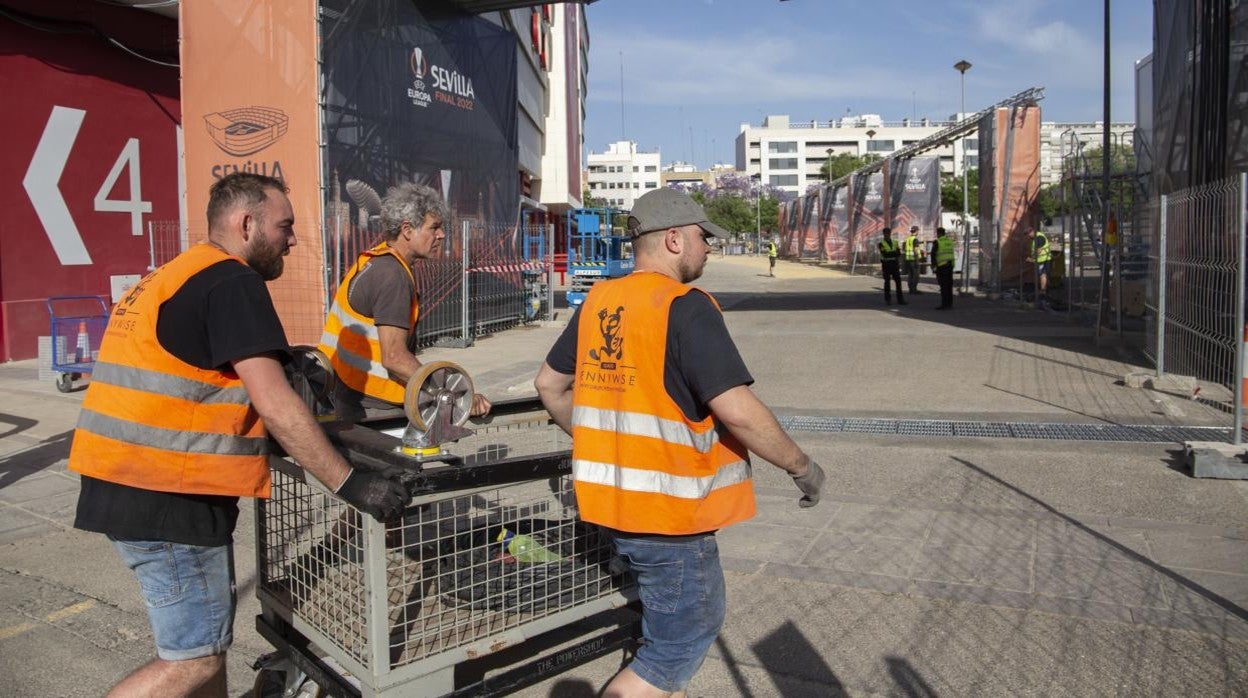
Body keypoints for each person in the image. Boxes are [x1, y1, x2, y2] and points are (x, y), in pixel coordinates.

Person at [69, 172, 409, 696]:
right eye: (285, 225)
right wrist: (348, 483)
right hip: (168, 497)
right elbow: (275, 402)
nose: (292, 239)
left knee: (206, 650)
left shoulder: (178, 273)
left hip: (130, 481)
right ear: (246, 223)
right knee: (192, 661)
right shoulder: (232, 280)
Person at [534, 188, 826, 698]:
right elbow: (738, 411)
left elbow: (549, 385)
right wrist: (801, 466)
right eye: (701, 238)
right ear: (673, 239)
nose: (707, 248)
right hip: (671, 521)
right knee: (675, 646)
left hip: (611, 507)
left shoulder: (600, 299)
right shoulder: (686, 307)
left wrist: (602, 445)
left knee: (659, 631)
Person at [318, 182, 490, 423]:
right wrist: (452, 396)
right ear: (407, 230)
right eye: (434, 227)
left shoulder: (374, 260)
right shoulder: (393, 276)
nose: (441, 235)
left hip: (349, 393)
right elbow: (394, 358)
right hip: (377, 407)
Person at [877, 227, 906, 305]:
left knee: (898, 282)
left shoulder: (895, 242)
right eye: (886, 233)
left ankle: (900, 299)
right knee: (887, 282)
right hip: (886, 264)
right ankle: (888, 300)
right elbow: (885, 254)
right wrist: (893, 253)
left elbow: (898, 253)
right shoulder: (881, 244)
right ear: (884, 234)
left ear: (890, 234)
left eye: (888, 233)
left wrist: (891, 253)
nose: (887, 235)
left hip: (894, 264)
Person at [1026, 228, 1052, 308]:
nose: (1028, 236)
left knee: (1042, 275)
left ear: (1032, 232)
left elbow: (1039, 250)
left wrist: (1032, 259)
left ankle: (1043, 292)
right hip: (1041, 260)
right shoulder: (1036, 238)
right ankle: (1044, 291)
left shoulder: (1039, 238)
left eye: (1028, 234)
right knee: (1043, 275)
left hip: (1043, 260)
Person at [930, 226, 956, 309]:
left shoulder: (937, 242)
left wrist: (933, 266)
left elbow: (933, 255)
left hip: (941, 266)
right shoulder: (949, 241)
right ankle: (950, 304)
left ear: (939, 233)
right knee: (949, 286)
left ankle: (944, 304)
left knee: (943, 286)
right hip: (950, 265)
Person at [903, 225, 923, 294]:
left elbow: (906, 249)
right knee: (916, 275)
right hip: (914, 259)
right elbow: (915, 250)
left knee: (910, 275)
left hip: (908, 259)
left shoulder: (908, 239)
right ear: (916, 231)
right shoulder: (915, 239)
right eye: (918, 231)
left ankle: (911, 289)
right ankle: (914, 289)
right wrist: (917, 260)